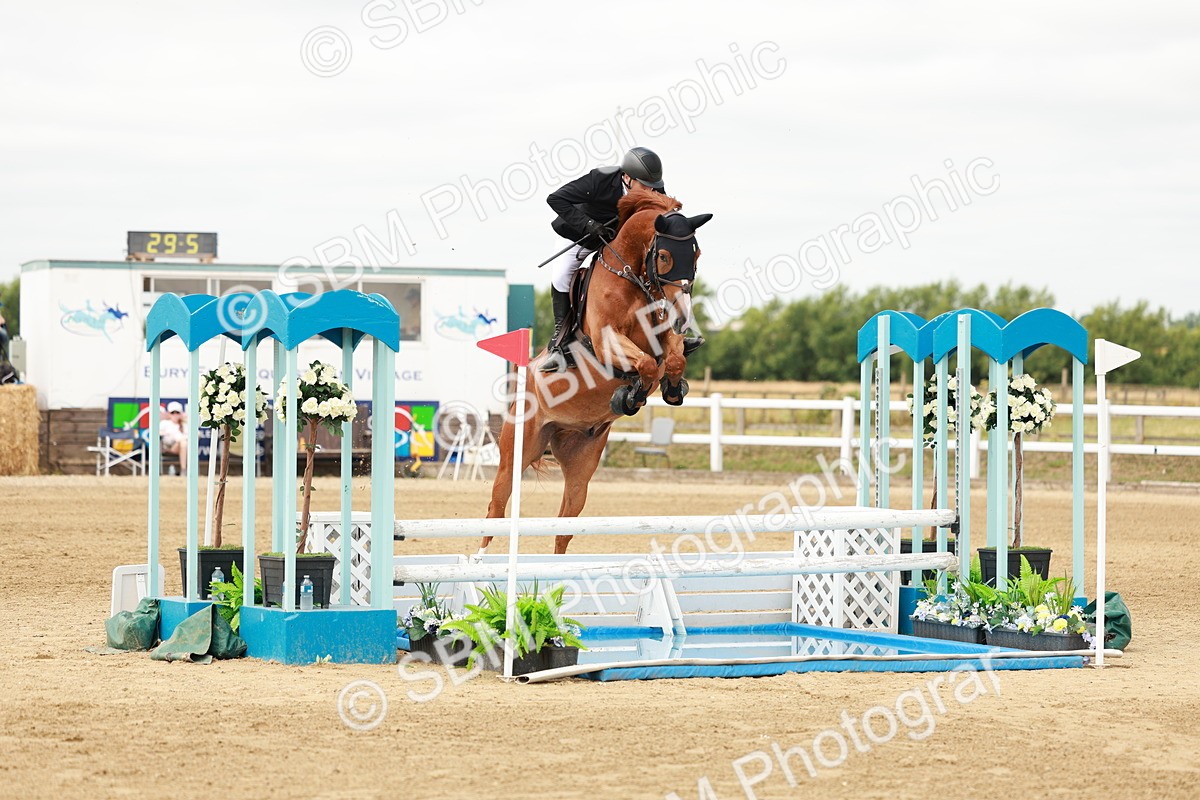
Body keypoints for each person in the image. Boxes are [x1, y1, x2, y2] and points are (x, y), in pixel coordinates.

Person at [541, 146, 703, 372]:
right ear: (626, 177)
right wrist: (589, 224)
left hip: (618, 242)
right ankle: (561, 339)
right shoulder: (600, 180)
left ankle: (671, 335)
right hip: (580, 235)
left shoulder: (655, 188)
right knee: (561, 275)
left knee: (653, 272)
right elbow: (556, 199)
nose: (650, 191)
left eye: (654, 187)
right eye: (644, 186)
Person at [160, 401, 188, 474]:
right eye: (173, 413)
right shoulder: (164, 423)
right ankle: (183, 470)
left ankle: (183, 470)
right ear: (169, 414)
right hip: (168, 448)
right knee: (183, 442)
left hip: (184, 447)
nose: (175, 415)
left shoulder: (185, 425)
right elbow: (158, 433)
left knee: (183, 443)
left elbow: (196, 434)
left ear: (181, 414)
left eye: (177, 413)